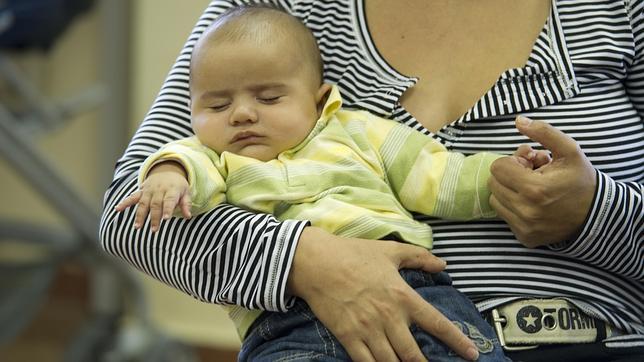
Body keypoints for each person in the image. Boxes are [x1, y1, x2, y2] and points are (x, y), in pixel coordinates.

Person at [100, 1, 644, 362]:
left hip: (581, 340)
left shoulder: (619, 11)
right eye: (221, 105)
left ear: (321, 100)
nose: (242, 115)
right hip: (295, 331)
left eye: (268, 99)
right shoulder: (267, 16)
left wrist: (591, 212)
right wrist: (305, 260)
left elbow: (444, 177)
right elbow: (133, 215)